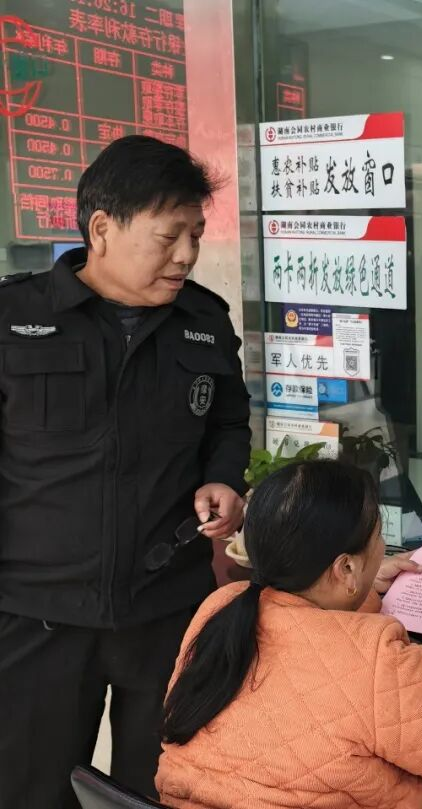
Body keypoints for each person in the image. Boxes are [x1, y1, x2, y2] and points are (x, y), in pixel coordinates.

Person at [0, 135, 251, 807]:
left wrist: (225, 478)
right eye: (169, 237)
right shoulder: (14, 319)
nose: (187, 255)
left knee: (160, 787)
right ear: (102, 229)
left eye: (195, 236)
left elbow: (229, 422)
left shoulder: (204, 321)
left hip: (166, 607)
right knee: (31, 789)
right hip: (37, 613)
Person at [156, 460, 422, 809]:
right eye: (378, 537)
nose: (382, 546)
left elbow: (311, 636)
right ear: (345, 567)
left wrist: (365, 587)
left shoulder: (223, 605)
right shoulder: (378, 658)